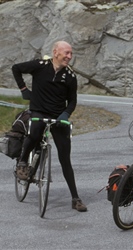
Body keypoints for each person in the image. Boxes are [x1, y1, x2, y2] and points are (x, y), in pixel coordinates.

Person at [12, 41, 87, 212]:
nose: (69, 56)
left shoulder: (70, 76)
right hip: (38, 111)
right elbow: (16, 68)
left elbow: (73, 100)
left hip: (58, 117)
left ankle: (75, 198)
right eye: (66, 53)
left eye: (71, 54)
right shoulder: (39, 66)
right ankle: (23, 162)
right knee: (35, 132)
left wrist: (66, 114)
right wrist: (23, 89)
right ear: (55, 52)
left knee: (65, 157)